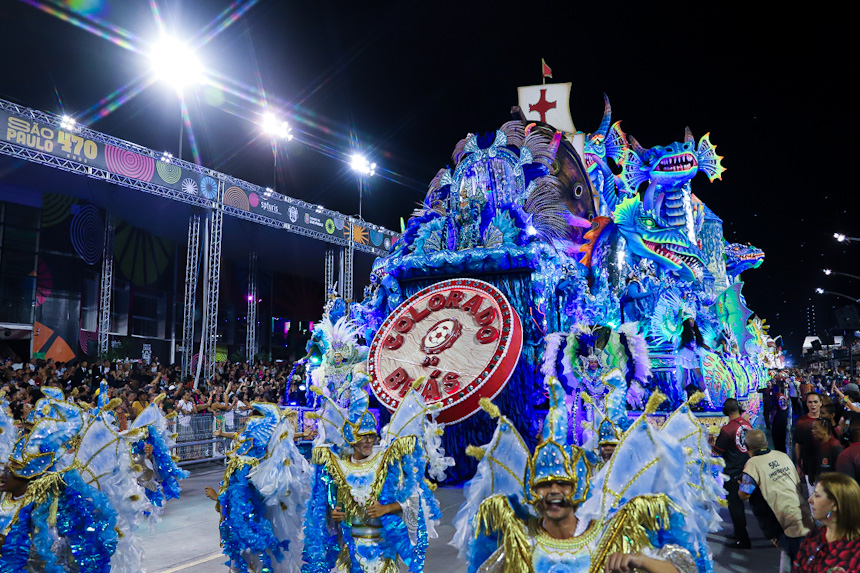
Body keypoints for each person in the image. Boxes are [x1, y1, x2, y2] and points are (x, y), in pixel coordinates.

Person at [738, 430, 814, 565]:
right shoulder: (783, 455)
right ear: (766, 443)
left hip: (784, 523)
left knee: (798, 562)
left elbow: (745, 493)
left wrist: (739, 484)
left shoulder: (752, 464)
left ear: (747, 448)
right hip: (804, 514)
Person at [793, 473, 860, 572]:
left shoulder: (856, 548)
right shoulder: (812, 537)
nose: (810, 500)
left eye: (817, 496)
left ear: (835, 504)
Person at [713, 397, 753, 549]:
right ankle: (738, 533)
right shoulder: (747, 424)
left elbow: (718, 450)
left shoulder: (727, 429)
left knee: (735, 506)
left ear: (726, 411)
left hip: (733, 471)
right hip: (747, 468)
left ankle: (742, 539)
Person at [795, 392, 823, 488]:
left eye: (815, 402)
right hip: (808, 464)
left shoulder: (826, 420)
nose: (813, 405)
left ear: (821, 403)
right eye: (810, 402)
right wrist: (798, 464)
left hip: (825, 464)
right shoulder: (801, 422)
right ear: (806, 404)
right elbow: (798, 443)